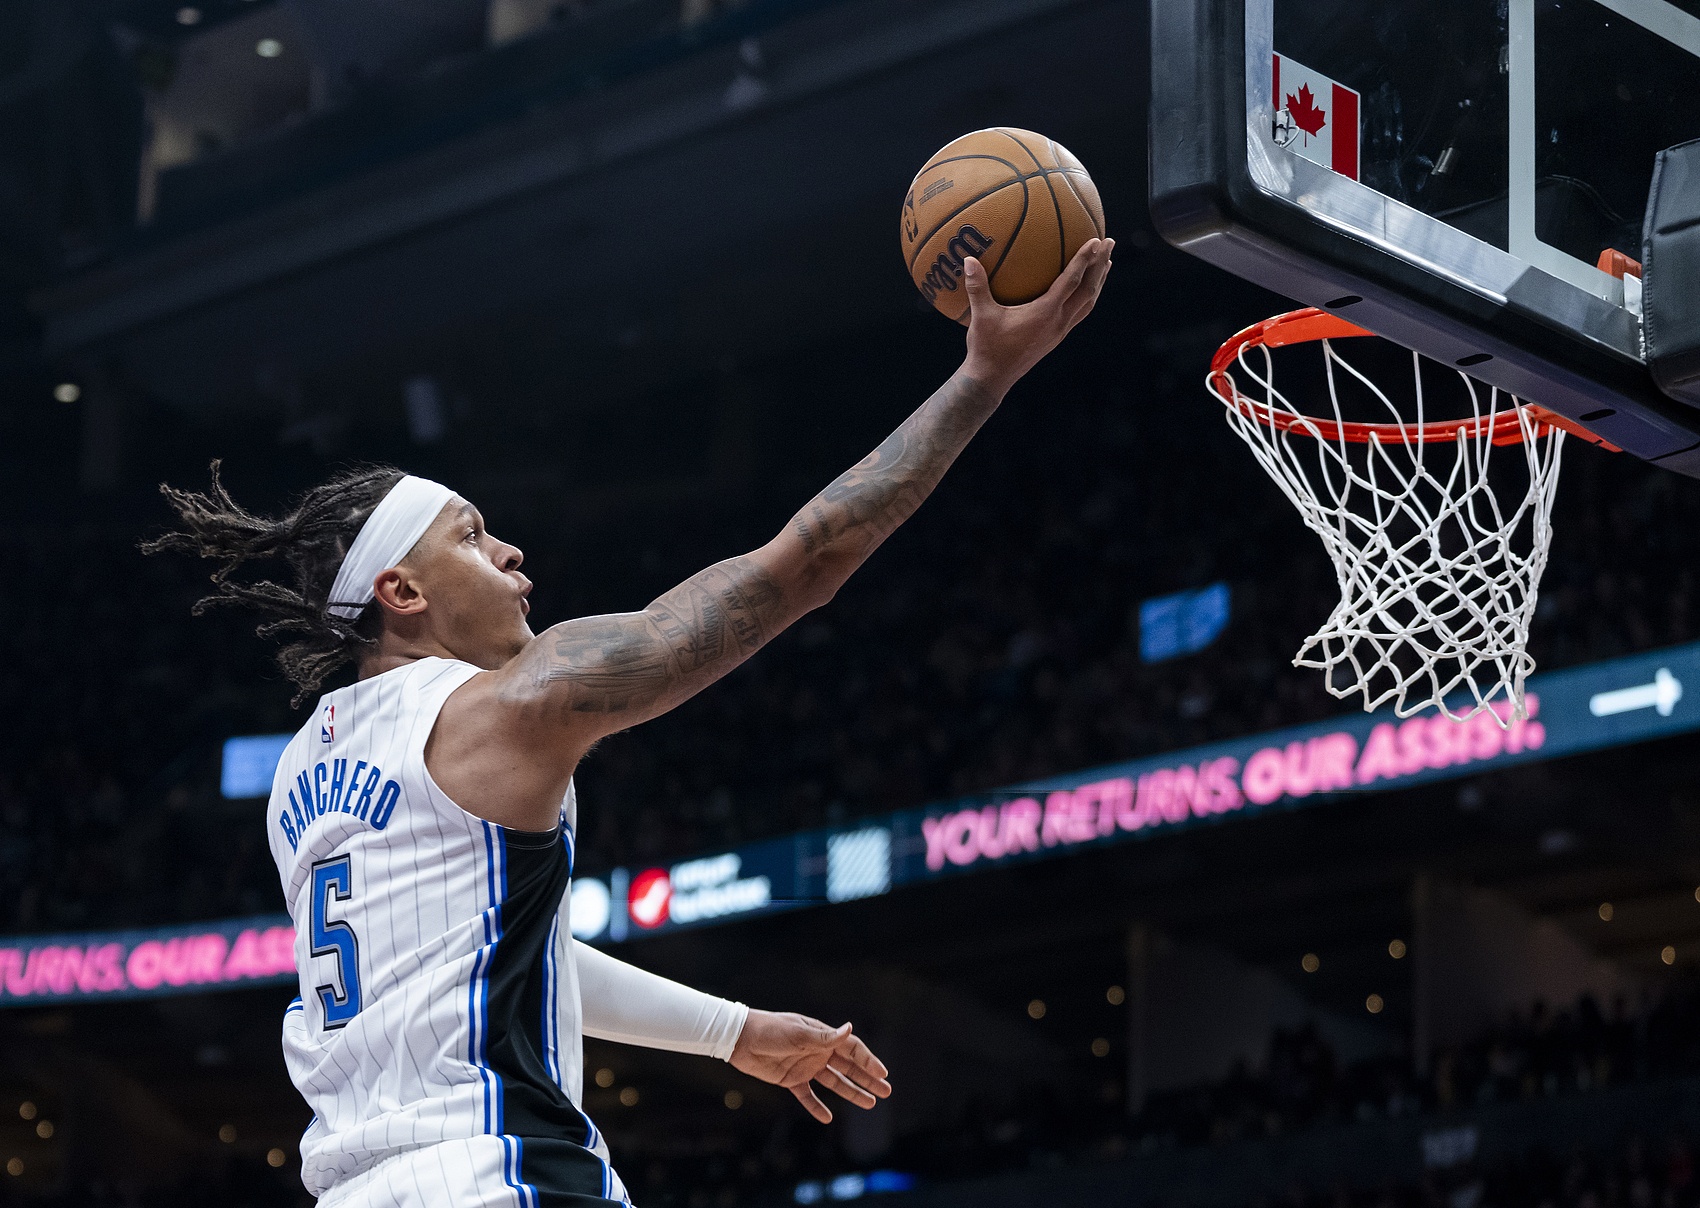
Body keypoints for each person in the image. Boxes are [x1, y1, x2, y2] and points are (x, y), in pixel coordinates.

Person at [144, 240, 1112, 1206]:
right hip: (497, 1172)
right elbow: (801, 565)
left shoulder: (299, 779)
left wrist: (731, 1030)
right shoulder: (502, 710)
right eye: (473, 536)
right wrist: (983, 378)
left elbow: (493, 953)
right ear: (402, 590)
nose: (511, 551)